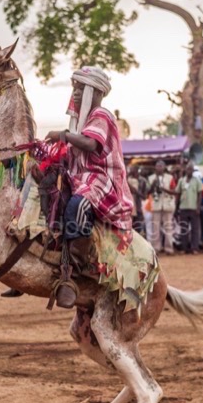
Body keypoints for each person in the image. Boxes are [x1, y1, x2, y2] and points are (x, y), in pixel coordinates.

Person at [44, 66, 134, 308]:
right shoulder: (80, 122)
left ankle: (73, 273)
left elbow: (90, 144)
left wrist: (61, 135)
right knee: (48, 193)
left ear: (95, 92)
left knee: (78, 205)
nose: (75, 92)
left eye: (81, 87)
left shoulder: (102, 115)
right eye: (74, 86)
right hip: (81, 178)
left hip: (103, 179)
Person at [148, 160, 177, 255]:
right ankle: (156, 248)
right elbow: (148, 192)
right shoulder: (151, 178)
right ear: (155, 167)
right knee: (155, 228)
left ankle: (169, 248)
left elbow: (174, 192)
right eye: (157, 166)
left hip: (167, 205)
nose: (159, 168)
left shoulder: (170, 177)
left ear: (164, 167)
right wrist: (153, 185)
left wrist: (164, 189)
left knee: (168, 227)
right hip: (156, 205)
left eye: (161, 166)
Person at [173, 161, 202, 254]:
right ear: (185, 170)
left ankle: (194, 248)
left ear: (193, 170)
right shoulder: (181, 180)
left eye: (191, 169)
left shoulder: (197, 180)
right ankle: (184, 248)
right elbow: (178, 194)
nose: (189, 170)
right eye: (188, 169)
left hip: (193, 208)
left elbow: (200, 195)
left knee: (195, 229)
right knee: (183, 229)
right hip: (183, 208)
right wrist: (176, 208)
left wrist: (198, 207)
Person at [127, 164, 148, 237]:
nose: (130, 170)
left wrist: (136, 192)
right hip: (129, 208)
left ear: (136, 170)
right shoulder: (128, 179)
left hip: (138, 207)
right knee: (129, 228)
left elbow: (145, 196)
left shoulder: (143, 180)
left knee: (138, 229)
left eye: (132, 169)